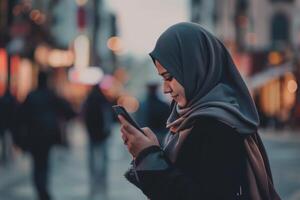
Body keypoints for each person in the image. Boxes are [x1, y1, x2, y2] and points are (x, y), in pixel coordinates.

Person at [117, 22, 281, 200]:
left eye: (169, 77)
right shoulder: (191, 119)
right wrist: (150, 150)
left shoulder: (218, 127)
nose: (165, 89)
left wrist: (148, 156)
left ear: (195, 68)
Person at [15, 71, 75, 200]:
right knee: (44, 164)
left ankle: (41, 189)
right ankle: (43, 191)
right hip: (47, 136)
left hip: (34, 136)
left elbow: (21, 116)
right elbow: (67, 110)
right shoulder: (50, 95)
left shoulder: (31, 96)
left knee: (37, 165)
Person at [82, 84, 113, 195]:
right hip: (102, 134)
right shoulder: (103, 100)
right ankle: (102, 178)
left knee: (92, 158)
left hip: (91, 134)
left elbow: (83, 115)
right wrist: (107, 130)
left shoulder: (88, 100)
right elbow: (108, 116)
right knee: (103, 157)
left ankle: (93, 178)